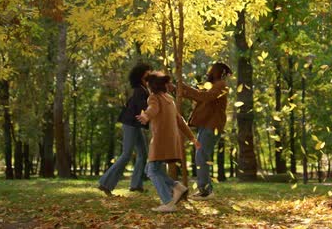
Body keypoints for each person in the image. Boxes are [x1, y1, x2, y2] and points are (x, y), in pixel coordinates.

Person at [136, 71, 201, 213]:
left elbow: (153, 109)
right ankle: (177, 187)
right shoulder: (169, 98)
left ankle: (168, 201)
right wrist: (192, 138)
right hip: (172, 141)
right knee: (152, 169)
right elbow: (180, 120)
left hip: (160, 140)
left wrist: (146, 116)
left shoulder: (153, 98)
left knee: (152, 171)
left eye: (148, 85)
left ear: (152, 86)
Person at [98, 63, 151, 196]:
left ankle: (136, 185)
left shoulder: (143, 89)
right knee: (126, 154)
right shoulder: (140, 90)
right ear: (140, 76)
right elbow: (142, 106)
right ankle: (105, 183)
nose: (149, 75)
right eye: (147, 73)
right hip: (130, 124)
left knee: (143, 154)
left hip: (135, 125)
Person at [181, 62, 232, 200]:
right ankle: (205, 189)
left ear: (217, 71)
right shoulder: (214, 86)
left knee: (201, 156)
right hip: (206, 125)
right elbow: (200, 96)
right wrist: (179, 89)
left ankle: (206, 191)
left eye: (212, 69)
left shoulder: (221, 85)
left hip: (212, 125)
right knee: (201, 155)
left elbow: (204, 97)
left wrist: (183, 86)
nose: (209, 71)